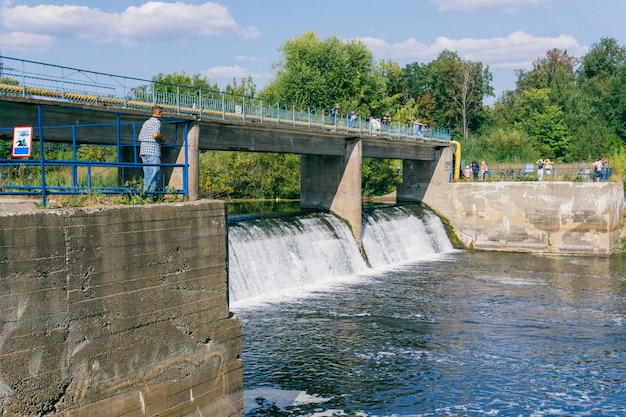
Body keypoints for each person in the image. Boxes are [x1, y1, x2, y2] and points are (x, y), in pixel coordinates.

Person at [139, 105, 167, 196]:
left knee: (147, 174)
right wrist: (162, 139)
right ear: (159, 113)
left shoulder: (146, 122)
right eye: (162, 113)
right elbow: (155, 135)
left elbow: (140, 137)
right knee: (154, 174)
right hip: (153, 151)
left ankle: (144, 193)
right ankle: (149, 195)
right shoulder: (156, 122)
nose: (162, 115)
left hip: (143, 151)